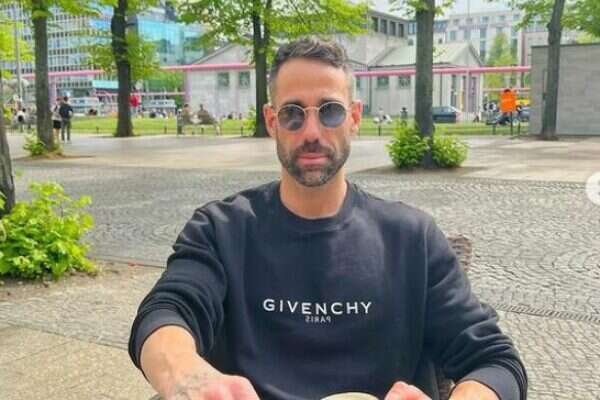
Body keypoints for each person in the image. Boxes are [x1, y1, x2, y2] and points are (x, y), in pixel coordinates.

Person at [129, 38, 527, 400]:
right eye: (293, 114)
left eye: (330, 111)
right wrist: (186, 374)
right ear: (272, 121)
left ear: (354, 117)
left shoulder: (411, 238)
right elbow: (167, 310)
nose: (312, 132)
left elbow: (494, 361)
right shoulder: (222, 230)